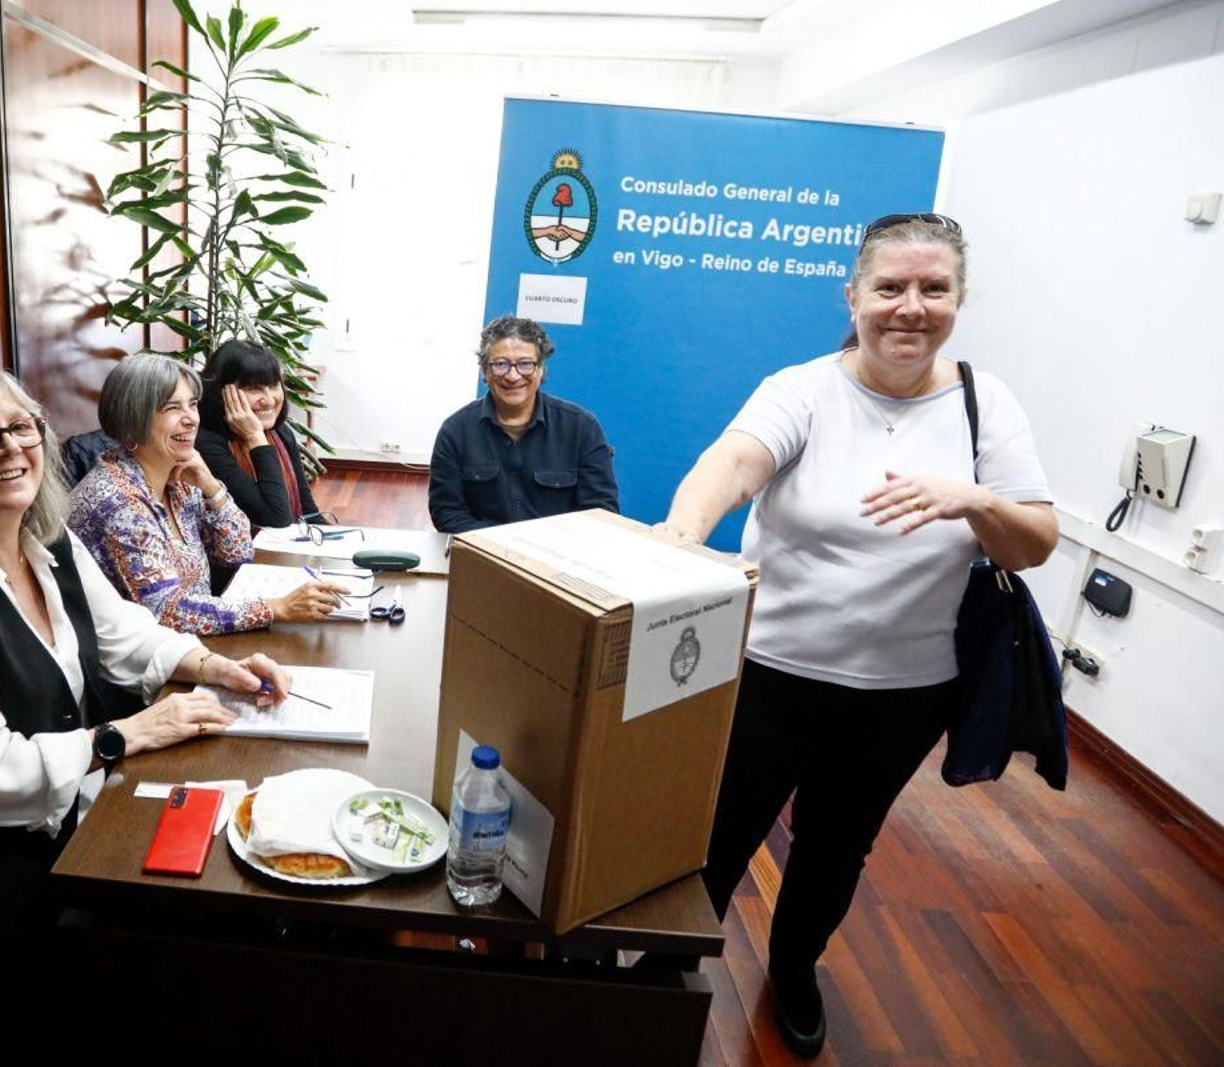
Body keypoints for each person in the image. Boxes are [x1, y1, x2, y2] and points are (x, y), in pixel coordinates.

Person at [659, 214, 1056, 1057]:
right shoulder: (803, 388)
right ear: (854, 296)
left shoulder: (987, 404)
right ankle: (668, 965)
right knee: (717, 834)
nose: (911, 306)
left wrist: (975, 499)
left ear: (959, 298)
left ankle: (793, 965)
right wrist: (684, 533)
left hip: (903, 693)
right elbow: (733, 463)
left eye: (933, 288)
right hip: (768, 673)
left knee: (837, 847)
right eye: (890, 287)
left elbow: (1034, 544)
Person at [0, 367, 290, 1047]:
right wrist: (119, 736)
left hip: (58, 818)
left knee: (237, 857)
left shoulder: (46, 541)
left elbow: (127, 634)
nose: (8, 447)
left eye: (22, 427)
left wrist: (213, 666)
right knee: (194, 923)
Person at [69, 353, 344, 634]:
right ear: (132, 418)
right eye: (172, 408)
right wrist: (277, 608)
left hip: (191, 640)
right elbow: (165, 612)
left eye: (192, 404)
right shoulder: (119, 503)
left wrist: (212, 487)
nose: (191, 419)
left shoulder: (179, 473)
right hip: (144, 653)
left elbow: (237, 551)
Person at [428, 315, 619, 533]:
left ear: (541, 369)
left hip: (558, 549)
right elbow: (446, 512)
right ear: (485, 371)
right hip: (481, 549)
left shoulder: (582, 428)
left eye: (525, 364)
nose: (513, 376)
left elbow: (600, 510)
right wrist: (500, 545)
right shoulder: (455, 432)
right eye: (500, 364)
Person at [197, 338, 320, 529]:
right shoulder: (206, 446)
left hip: (287, 544)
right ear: (221, 394)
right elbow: (276, 519)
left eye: (274, 386)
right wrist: (255, 436)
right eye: (254, 389)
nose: (269, 400)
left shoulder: (280, 433)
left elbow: (308, 511)